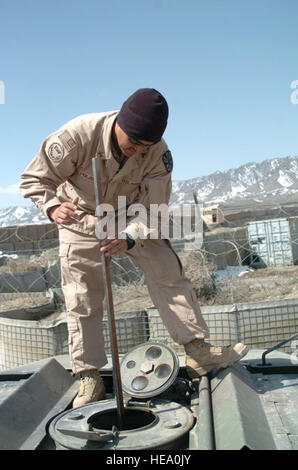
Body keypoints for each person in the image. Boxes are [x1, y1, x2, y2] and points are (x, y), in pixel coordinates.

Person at [20, 88, 248, 407]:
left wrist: (129, 236)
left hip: (133, 214)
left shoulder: (158, 154)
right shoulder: (78, 135)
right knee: (82, 295)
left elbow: (155, 209)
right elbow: (34, 179)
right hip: (80, 216)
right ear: (120, 123)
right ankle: (88, 376)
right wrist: (53, 207)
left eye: (146, 145)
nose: (138, 150)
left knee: (168, 273)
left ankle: (198, 352)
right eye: (134, 142)